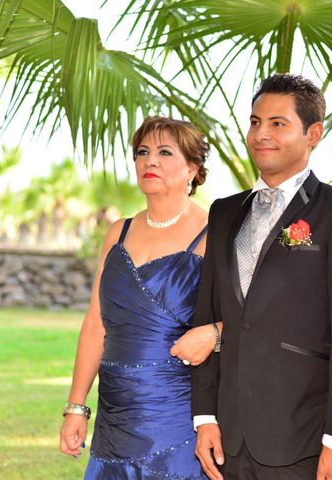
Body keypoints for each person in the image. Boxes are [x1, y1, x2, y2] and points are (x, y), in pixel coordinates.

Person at [191, 73, 332, 480]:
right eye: (255, 122)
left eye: (278, 124)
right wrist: (205, 415)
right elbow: (208, 316)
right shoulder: (224, 212)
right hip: (230, 437)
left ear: (313, 133)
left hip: (306, 439)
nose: (261, 134)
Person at [59, 116, 218, 479]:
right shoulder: (119, 231)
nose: (150, 161)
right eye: (142, 152)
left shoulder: (213, 233)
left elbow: (242, 318)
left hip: (174, 413)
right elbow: (96, 323)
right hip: (114, 413)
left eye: (165, 152)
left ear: (192, 168)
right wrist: (77, 406)